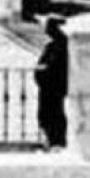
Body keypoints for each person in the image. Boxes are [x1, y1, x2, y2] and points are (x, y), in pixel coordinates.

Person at [34, 15, 69, 149]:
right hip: (46, 88)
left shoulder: (63, 46)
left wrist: (44, 70)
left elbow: (54, 67)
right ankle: (51, 140)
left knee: (54, 115)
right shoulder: (51, 46)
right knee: (45, 115)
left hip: (54, 88)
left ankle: (57, 141)